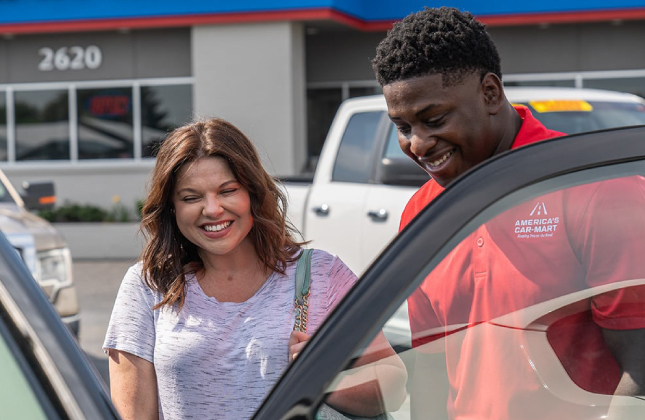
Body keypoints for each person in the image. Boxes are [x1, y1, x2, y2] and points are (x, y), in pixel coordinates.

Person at [372, 6, 645, 419]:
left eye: (434, 119)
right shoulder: (421, 213)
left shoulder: (594, 190)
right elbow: (431, 366)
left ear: (490, 94)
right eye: (404, 126)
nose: (418, 144)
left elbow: (641, 370)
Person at [102, 118, 406, 420]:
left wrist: (323, 377)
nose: (212, 209)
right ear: (172, 208)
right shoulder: (148, 284)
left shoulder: (320, 274)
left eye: (227, 190)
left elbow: (393, 386)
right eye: (191, 197)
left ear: (253, 193)